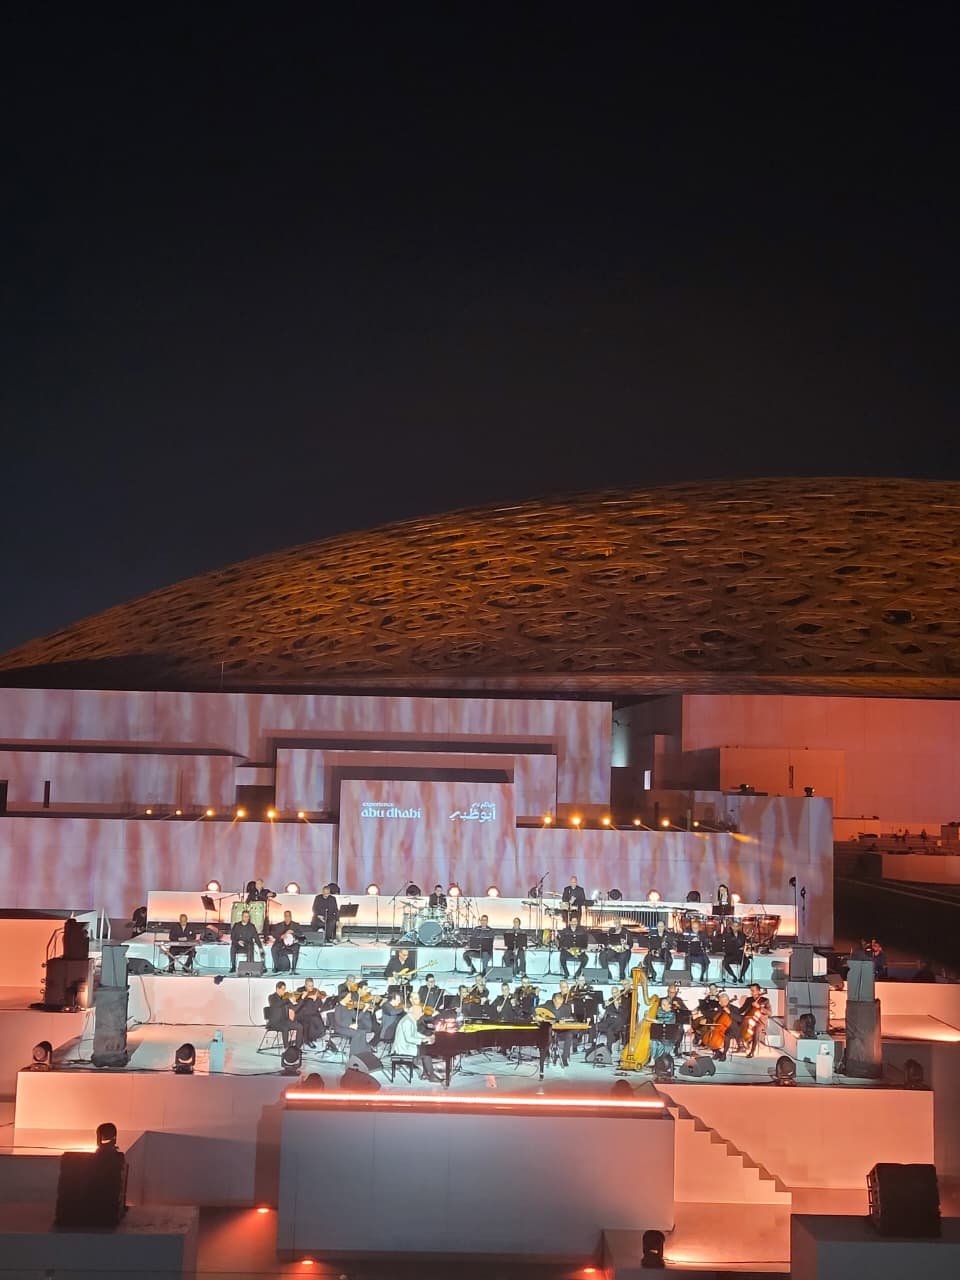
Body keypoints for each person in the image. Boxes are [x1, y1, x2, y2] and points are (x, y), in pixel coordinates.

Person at [393, 1002, 439, 1081]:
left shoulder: (410, 1019)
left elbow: (415, 1033)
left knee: (424, 1050)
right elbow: (409, 1038)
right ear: (415, 1013)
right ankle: (431, 1076)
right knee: (426, 1054)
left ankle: (425, 1074)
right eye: (420, 1012)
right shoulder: (407, 1021)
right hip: (403, 1047)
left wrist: (426, 1037)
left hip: (406, 1044)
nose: (421, 1014)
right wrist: (422, 1040)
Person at [547, 990, 576, 1066]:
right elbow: (536, 1010)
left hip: (561, 1031)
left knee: (569, 1035)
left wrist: (566, 1020)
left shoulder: (566, 1007)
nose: (559, 1005)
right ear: (553, 1001)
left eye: (561, 1003)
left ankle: (564, 1057)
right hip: (550, 1031)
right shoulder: (548, 1004)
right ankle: (547, 1055)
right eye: (557, 1003)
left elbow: (572, 1018)